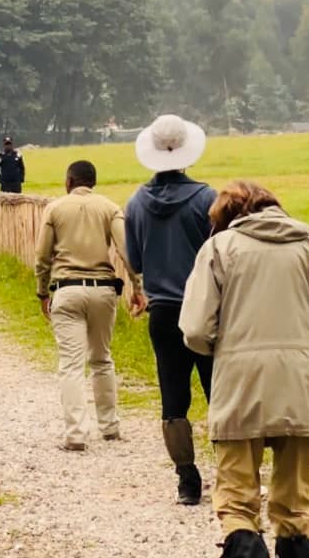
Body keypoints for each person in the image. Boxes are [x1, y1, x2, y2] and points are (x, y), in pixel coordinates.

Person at [181, 182, 309, 558]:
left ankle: (245, 548)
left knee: (236, 498)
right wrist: (307, 352)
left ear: (226, 217)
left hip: (239, 382)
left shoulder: (219, 248)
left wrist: (225, 351)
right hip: (300, 381)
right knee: (296, 503)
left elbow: (197, 328)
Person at [124, 114, 217, 505]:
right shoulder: (207, 199)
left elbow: (136, 261)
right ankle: (232, 470)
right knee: (220, 389)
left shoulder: (136, 203)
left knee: (173, 394)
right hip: (207, 307)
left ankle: (187, 479)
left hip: (162, 311)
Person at [34, 160, 144, 451]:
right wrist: (137, 287)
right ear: (93, 182)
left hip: (67, 291)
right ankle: (109, 426)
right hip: (103, 291)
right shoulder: (109, 208)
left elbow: (42, 257)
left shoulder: (55, 209)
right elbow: (125, 251)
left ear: (69, 181)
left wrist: (42, 292)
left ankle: (76, 434)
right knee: (102, 358)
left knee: (71, 365)